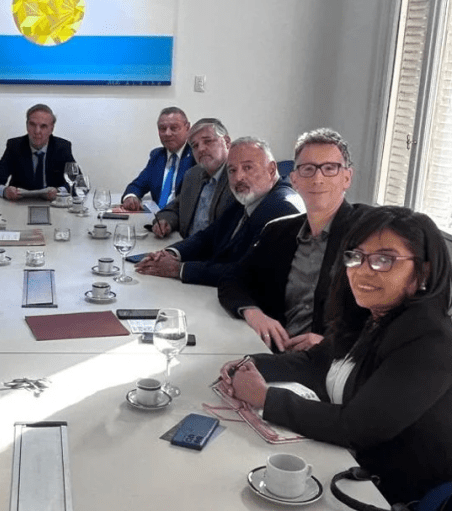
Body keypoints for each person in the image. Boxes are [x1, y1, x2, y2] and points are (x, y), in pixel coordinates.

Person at [219, 206, 452, 504]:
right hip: (344, 462)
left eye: (384, 259)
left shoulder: (430, 340)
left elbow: (358, 427)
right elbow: (315, 362)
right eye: (356, 256)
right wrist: (253, 364)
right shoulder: (372, 314)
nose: (363, 270)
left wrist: (266, 398)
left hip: (391, 493)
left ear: (423, 272)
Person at [218, 128, 370, 352]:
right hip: (275, 352)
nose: (318, 179)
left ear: (347, 177)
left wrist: (330, 345)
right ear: (295, 179)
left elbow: (392, 316)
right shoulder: (278, 231)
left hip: (335, 362)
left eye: (330, 168)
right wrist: (253, 313)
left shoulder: (370, 234)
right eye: (308, 169)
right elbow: (233, 279)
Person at [136, 137, 303, 286]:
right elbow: (208, 237)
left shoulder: (283, 208)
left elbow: (250, 273)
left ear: (271, 169)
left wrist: (179, 269)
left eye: (248, 168)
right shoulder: (249, 197)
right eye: (232, 170)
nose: (238, 178)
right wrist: (169, 253)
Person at [153, 118, 234, 239]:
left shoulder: (238, 177)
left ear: (226, 142)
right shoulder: (193, 175)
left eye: (208, 141)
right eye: (195, 146)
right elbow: (176, 208)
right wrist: (166, 221)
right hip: (186, 245)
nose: (201, 149)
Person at [0, 104, 76, 201]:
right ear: (27, 125)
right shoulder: (15, 146)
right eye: (32, 124)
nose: (37, 131)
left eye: (43, 126)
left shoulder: (62, 147)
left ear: (51, 129)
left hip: (53, 205)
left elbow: (78, 183)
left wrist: (59, 192)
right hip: (19, 204)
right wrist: (5, 191)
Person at [120, 107, 195, 211]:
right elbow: (137, 185)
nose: (167, 133)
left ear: (187, 128)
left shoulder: (195, 156)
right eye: (162, 129)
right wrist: (131, 197)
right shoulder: (157, 156)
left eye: (174, 128)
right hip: (156, 217)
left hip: (181, 218)